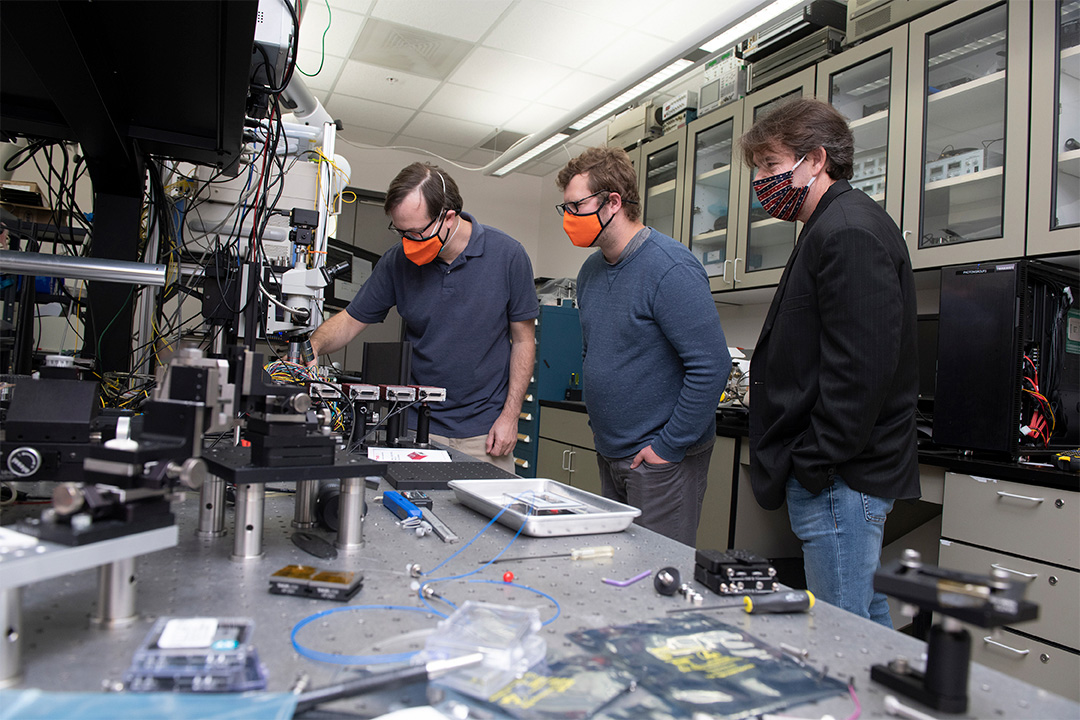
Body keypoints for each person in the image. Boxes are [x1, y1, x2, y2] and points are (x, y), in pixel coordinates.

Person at [739, 98, 920, 627]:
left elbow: (860, 373)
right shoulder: (827, 225)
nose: (762, 181)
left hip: (842, 477)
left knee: (839, 634)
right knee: (865, 623)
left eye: (771, 167)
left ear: (816, 160)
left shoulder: (848, 230)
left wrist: (815, 463)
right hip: (838, 473)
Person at [309, 162, 538, 472]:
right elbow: (351, 319)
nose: (408, 242)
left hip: (485, 433)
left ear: (448, 218)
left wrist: (510, 417)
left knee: (485, 520)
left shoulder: (508, 256)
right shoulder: (396, 261)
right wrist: (312, 346)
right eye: (401, 232)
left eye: (416, 232)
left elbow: (524, 341)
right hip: (415, 427)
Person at [555, 147, 731, 546]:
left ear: (613, 202)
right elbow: (594, 351)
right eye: (563, 208)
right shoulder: (591, 271)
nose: (568, 218)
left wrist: (667, 447)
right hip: (611, 450)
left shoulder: (670, 267)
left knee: (655, 576)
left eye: (576, 206)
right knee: (618, 569)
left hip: (662, 461)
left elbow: (711, 367)